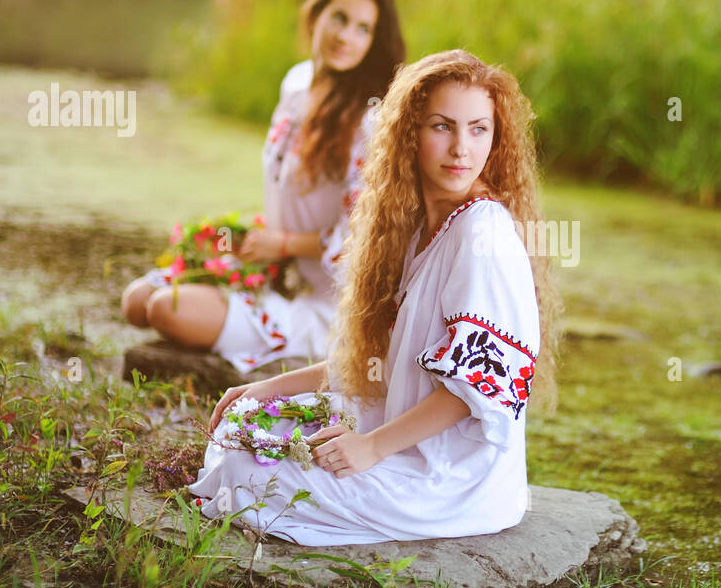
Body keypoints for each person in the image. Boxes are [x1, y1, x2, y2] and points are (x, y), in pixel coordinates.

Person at [190, 49, 562, 544]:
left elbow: (482, 388)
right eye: (441, 126)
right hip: (394, 431)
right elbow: (382, 363)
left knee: (247, 473)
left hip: (448, 474)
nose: (461, 149)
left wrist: (370, 448)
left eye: (478, 129)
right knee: (242, 424)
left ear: (496, 140)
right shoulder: (414, 230)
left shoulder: (483, 234)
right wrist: (269, 387)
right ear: (409, 133)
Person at [120, 0, 406, 372]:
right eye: (339, 18)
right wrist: (255, 242)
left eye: (364, 29)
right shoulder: (296, 84)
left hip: (331, 300)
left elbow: (362, 240)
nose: (346, 36)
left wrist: (284, 243)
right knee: (136, 300)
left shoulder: (369, 121)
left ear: (374, 43)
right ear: (316, 14)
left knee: (167, 308)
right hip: (278, 267)